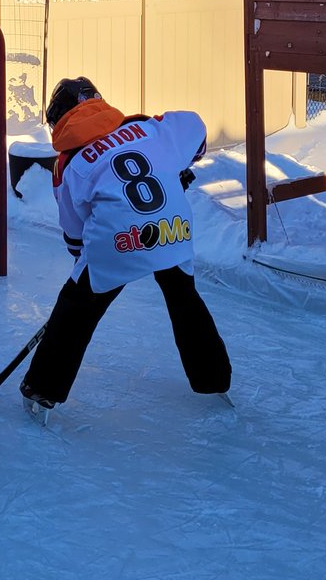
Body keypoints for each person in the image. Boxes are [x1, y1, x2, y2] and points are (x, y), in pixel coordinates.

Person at [19, 77, 231, 424]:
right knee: (184, 298)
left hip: (117, 240)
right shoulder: (146, 127)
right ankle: (214, 379)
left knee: (77, 310)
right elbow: (195, 128)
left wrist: (81, 271)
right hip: (172, 228)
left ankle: (42, 389)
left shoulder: (68, 163)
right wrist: (180, 162)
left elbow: (75, 230)